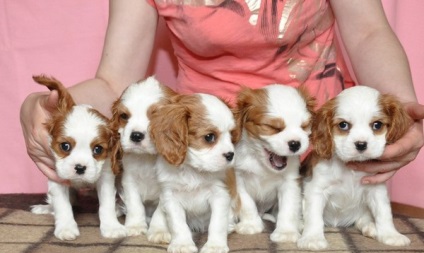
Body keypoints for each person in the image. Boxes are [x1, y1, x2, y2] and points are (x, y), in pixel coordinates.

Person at [20, 0, 424, 185]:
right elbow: (113, 83)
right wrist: (36, 108)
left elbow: (368, 31)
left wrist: (401, 110)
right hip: (211, 163)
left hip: (324, 156)